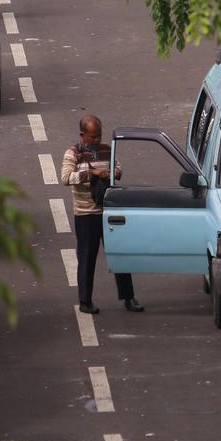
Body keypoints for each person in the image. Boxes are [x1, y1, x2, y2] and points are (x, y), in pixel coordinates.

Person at [60, 115, 142, 314]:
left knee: (119, 254)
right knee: (87, 258)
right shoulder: (73, 154)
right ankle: (85, 301)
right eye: (92, 137)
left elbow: (119, 167)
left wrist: (112, 173)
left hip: (108, 211)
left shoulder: (107, 149)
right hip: (85, 214)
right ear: (82, 135)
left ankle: (128, 297)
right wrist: (92, 174)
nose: (96, 141)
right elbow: (65, 178)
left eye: (99, 137)